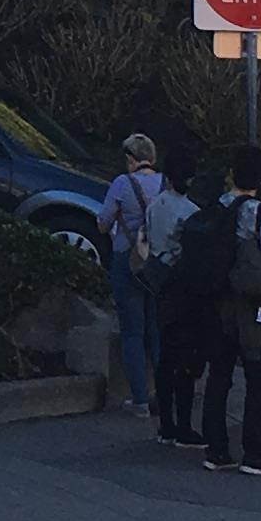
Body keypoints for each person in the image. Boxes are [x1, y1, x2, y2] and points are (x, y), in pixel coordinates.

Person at [197, 141, 261, 475]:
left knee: (219, 375)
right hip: (251, 304)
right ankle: (254, 452)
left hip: (218, 300)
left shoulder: (217, 208)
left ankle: (216, 449)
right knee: (259, 376)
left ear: (231, 175)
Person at [141, 156, 211, 447]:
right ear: (191, 180)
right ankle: (184, 426)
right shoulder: (193, 213)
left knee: (165, 356)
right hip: (184, 289)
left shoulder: (154, 206)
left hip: (160, 283)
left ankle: (165, 425)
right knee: (186, 357)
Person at [97, 130, 165, 417]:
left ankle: (139, 400)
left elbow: (103, 223)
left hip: (128, 259)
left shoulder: (123, 184)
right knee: (156, 330)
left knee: (132, 332)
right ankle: (166, 395)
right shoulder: (165, 183)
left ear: (130, 158)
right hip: (158, 263)